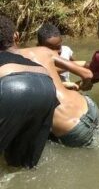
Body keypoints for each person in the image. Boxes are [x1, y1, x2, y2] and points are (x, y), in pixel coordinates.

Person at [15, 31, 99, 148]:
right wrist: (70, 85)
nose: (56, 51)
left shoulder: (14, 66)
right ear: (16, 36)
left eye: (58, 47)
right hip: (90, 108)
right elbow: (87, 74)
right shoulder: (44, 53)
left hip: (70, 127)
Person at [0, 15, 58, 168]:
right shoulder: (35, 64)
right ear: (16, 36)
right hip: (46, 84)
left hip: (6, 84)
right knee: (20, 167)